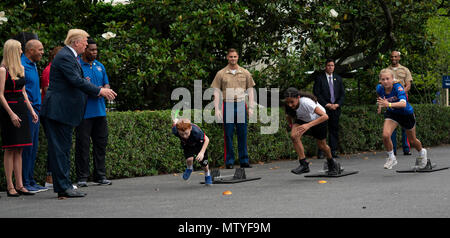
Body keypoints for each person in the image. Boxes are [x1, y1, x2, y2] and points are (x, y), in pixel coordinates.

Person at [40, 29, 117, 199]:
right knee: (60, 150)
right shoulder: (66, 56)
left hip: (63, 112)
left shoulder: (69, 56)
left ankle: (65, 186)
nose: (86, 44)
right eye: (84, 42)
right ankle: (63, 187)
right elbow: (75, 81)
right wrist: (100, 91)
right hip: (58, 111)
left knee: (64, 149)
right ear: (76, 42)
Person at [0, 39, 38, 197]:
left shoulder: (20, 68)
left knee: (20, 148)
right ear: (12, 51)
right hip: (9, 109)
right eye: (19, 49)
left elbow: (23, 92)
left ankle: (20, 184)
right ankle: (10, 186)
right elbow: (0, 94)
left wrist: (32, 110)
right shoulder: (3, 70)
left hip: (22, 108)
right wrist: (11, 113)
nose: (22, 51)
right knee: (10, 148)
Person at [75, 38, 112, 187]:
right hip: (84, 113)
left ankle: (100, 175)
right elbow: (78, 86)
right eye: (91, 49)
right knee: (83, 145)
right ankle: (82, 177)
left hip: (100, 112)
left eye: (96, 50)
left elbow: (106, 83)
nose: (94, 52)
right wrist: (97, 91)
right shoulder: (77, 65)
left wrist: (107, 90)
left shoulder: (100, 66)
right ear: (84, 50)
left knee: (100, 144)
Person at [211, 48, 255, 169]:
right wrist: (217, 109)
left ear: (238, 57)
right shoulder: (221, 73)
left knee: (243, 134)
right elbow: (216, 91)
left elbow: (250, 90)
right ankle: (229, 161)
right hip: (228, 105)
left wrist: (251, 107)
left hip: (241, 104)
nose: (233, 59)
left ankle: (244, 160)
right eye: (231, 57)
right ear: (227, 57)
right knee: (228, 134)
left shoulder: (245, 72)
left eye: (235, 56)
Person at [284, 87, 343, 176]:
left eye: (292, 102)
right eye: (288, 102)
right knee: (294, 136)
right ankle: (304, 164)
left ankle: (331, 162)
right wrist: (291, 126)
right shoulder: (288, 105)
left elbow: (325, 116)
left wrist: (308, 125)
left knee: (322, 146)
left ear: (298, 98)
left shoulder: (306, 103)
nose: (290, 105)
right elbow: (288, 116)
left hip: (318, 119)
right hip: (303, 119)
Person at [376, 69, 427, 170]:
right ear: (380, 81)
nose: (385, 81)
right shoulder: (379, 88)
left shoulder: (398, 88)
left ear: (392, 79)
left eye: (387, 79)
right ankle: (391, 157)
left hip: (406, 114)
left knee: (412, 141)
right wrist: (380, 106)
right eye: (383, 79)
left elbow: (403, 104)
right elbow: (380, 97)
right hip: (393, 114)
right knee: (386, 135)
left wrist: (388, 104)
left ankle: (422, 152)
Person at [21, 39, 48, 193]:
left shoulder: (34, 64)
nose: (42, 52)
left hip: (36, 111)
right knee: (27, 148)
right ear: (30, 50)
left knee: (34, 147)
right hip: (28, 111)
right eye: (40, 49)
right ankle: (25, 181)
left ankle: (30, 180)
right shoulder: (22, 65)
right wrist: (30, 109)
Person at [40, 46, 63, 189]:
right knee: (55, 145)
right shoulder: (49, 70)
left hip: (55, 111)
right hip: (51, 111)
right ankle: (50, 178)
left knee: (58, 145)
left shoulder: (54, 69)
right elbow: (50, 91)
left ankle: (55, 177)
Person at [313, 59, 345, 159]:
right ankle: (322, 151)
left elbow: (342, 94)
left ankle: (333, 151)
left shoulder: (338, 79)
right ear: (325, 67)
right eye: (328, 65)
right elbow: (316, 94)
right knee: (322, 130)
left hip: (335, 109)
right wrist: (326, 104)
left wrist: (337, 104)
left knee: (334, 130)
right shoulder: (319, 79)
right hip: (323, 108)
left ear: (334, 67)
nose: (330, 67)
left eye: (332, 65)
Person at [385, 51, 413, 156]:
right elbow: (383, 85)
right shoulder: (386, 71)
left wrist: (400, 94)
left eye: (395, 56)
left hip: (402, 100)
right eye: (392, 56)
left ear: (399, 58)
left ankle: (406, 148)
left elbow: (408, 85)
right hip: (391, 101)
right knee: (391, 125)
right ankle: (393, 150)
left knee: (405, 125)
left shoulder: (405, 70)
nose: (393, 58)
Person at [172, 118, 212, 185]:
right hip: (187, 145)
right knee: (189, 159)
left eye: (186, 133)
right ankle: (189, 168)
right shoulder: (175, 130)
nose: (184, 136)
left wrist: (202, 153)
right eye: (181, 134)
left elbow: (207, 140)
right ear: (178, 131)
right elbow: (175, 124)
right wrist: (176, 121)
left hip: (199, 145)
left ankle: (207, 175)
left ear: (190, 128)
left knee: (204, 164)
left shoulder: (197, 132)